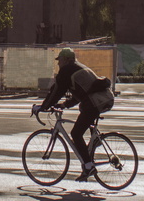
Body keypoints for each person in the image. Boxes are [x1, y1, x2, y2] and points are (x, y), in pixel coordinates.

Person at [32, 48, 114, 181]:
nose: (58, 64)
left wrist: (43, 107)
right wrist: (65, 105)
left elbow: (56, 91)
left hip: (95, 103)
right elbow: (83, 93)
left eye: (60, 61)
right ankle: (94, 143)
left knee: (76, 133)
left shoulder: (67, 71)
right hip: (102, 100)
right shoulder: (77, 68)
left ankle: (88, 166)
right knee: (83, 114)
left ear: (66, 60)